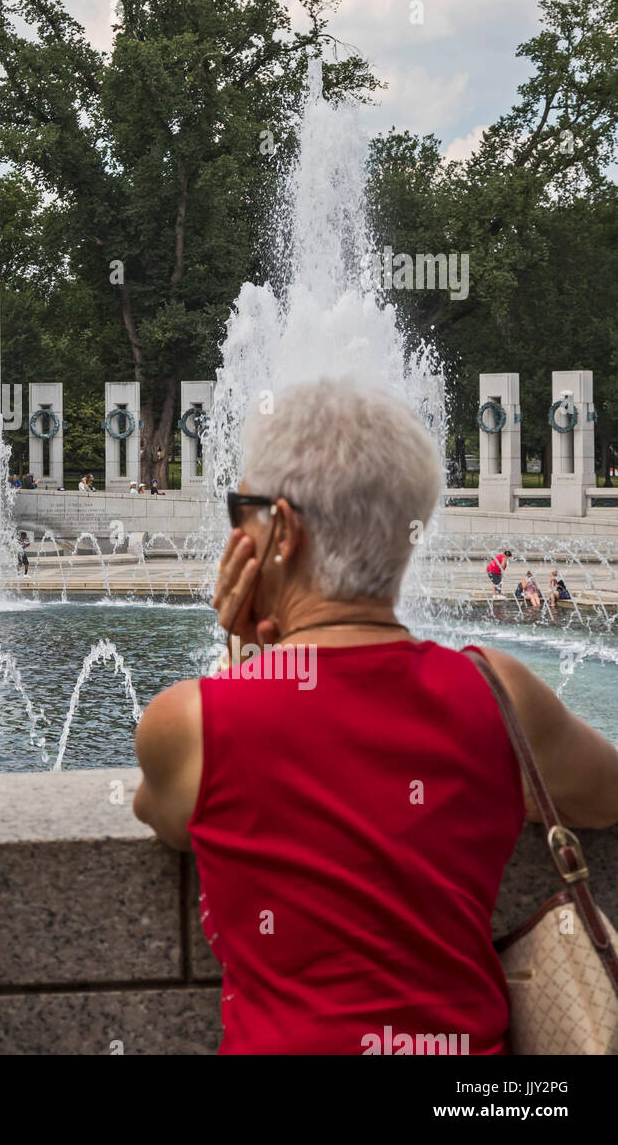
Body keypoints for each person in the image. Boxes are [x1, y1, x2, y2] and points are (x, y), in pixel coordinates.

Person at [132, 377, 618, 1055]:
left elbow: (170, 816)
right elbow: (603, 797)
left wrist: (246, 660)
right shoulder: (499, 692)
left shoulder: (191, 723)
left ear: (282, 533)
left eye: (241, 512)